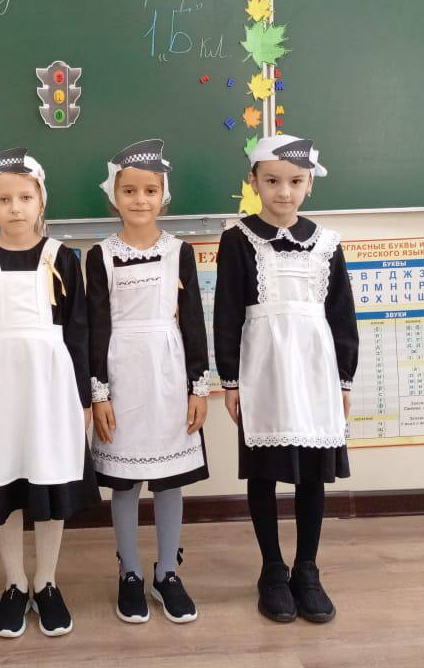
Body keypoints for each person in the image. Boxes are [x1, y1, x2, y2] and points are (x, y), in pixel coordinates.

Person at [0, 147, 99, 638]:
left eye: (24, 197)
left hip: (51, 389)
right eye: (3, 199)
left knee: (49, 480)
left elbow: (78, 332)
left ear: (41, 201)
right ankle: (15, 582)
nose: (15, 208)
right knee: (5, 486)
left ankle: (47, 581)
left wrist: (83, 398)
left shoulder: (63, 258)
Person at [213, 135, 358, 624]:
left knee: (313, 473)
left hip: (315, 372)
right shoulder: (238, 239)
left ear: (309, 184)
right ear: (254, 182)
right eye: (272, 181)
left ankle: (307, 569)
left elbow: (342, 316)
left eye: (295, 182)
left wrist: (343, 380)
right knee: (263, 472)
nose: (284, 191)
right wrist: (230, 381)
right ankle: (272, 569)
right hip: (263, 371)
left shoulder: (327, 243)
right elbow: (227, 312)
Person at [87, 139, 209, 624]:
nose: (140, 199)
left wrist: (198, 386)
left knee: (169, 480)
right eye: (130, 190)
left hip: (168, 374)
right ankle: (130, 572)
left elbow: (193, 322)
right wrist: (99, 393)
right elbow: (96, 328)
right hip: (121, 375)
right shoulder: (99, 255)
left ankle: (167, 572)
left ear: (164, 195)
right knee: (125, 481)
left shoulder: (180, 252)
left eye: (150, 190)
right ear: (113, 195)